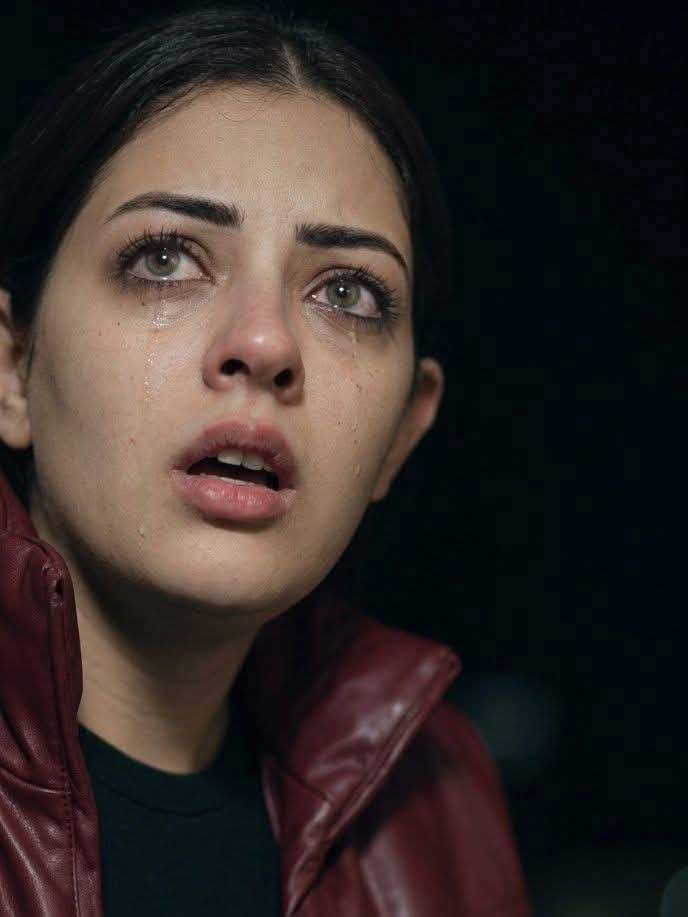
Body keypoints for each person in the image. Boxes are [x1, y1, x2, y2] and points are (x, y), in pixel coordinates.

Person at [0, 6, 530, 915]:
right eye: (165, 258)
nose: (264, 341)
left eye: (348, 292)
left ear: (402, 434)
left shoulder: (440, 799)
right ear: (14, 367)